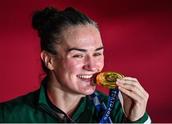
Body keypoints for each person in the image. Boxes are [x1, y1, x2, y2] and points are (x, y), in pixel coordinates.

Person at [0, 6, 151, 123]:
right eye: (78, 55)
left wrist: (137, 121)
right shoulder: (8, 116)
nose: (92, 66)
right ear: (49, 60)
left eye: (97, 53)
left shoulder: (119, 111)